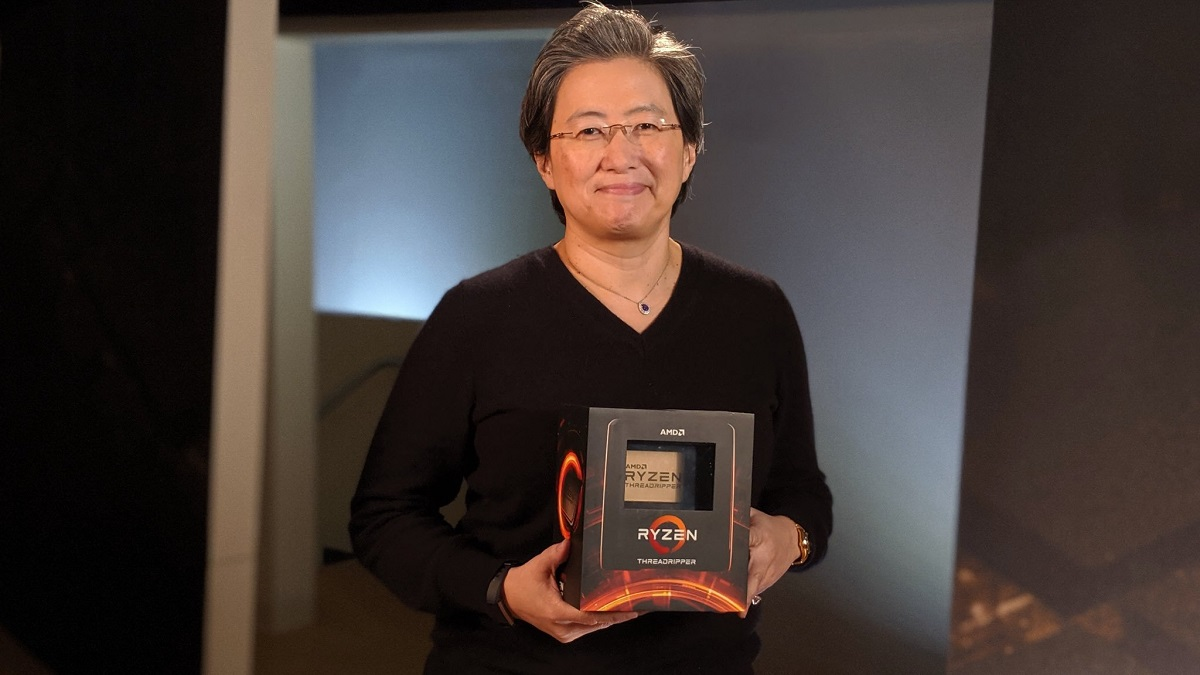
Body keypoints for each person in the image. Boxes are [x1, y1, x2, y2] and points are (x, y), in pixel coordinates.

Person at [350, 3, 832, 673]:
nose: (620, 154)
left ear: (690, 150)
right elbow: (385, 516)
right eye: (589, 130)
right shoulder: (477, 316)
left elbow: (803, 492)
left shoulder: (756, 311)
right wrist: (499, 589)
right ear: (545, 161)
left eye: (647, 125)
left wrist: (790, 537)